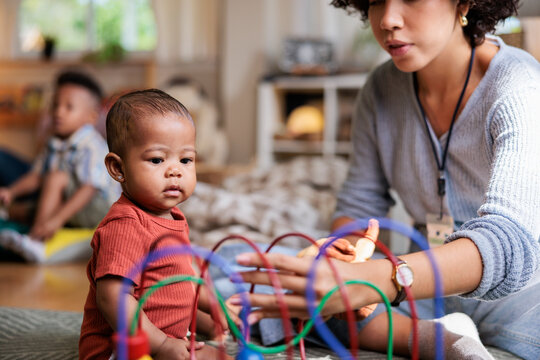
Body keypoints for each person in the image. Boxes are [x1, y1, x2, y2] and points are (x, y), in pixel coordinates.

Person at [231, 0, 540, 359]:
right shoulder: (379, 90)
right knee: (289, 299)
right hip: (425, 288)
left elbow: (509, 245)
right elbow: (359, 205)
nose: (388, 20)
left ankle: (421, 336)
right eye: (376, 0)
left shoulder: (520, 84)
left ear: (464, 3)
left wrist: (382, 280)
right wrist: (342, 260)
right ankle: (439, 339)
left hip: (522, 296)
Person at [79, 89, 232, 360]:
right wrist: (160, 344)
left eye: (186, 159)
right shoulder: (125, 224)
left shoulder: (173, 217)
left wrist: (212, 312)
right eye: (157, 159)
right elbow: (113, 299)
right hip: (123, 347)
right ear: (118, 168)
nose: (175, 170)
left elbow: (178, 281)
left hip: (165, 336)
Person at [0, 71, 120, 262]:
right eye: (55, 105)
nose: (58, 112)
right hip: (72, 205)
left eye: (68, 107)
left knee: (56, 177)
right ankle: (11, 217)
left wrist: (56, 220)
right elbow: (37, 176)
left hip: (97, 209)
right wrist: (11, 192)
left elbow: (88, 189)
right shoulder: (53, 142)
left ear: (90, 117)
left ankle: (36, 241)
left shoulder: (91, 145)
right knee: (26, 205)